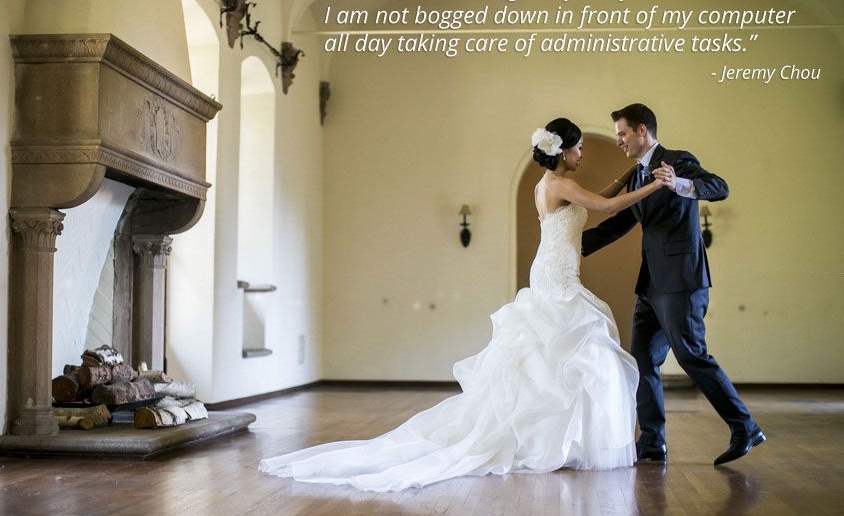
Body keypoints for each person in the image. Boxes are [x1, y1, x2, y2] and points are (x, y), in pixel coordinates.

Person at [259, 118, 664, 492]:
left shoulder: (548, 185)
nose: (581, 155)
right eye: (577, 149)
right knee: (580, 348)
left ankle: (558, 440)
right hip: (557, 277)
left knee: (563, 353)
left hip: (552, 271)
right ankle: (552, 442)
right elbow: (607, 208)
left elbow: (598, 198)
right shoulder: (558, 185)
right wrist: (656, 184)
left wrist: (630, 175)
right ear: (562, 151)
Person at [582, 103, 764, 466]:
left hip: (682, 279)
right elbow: (620, 223)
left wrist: (678, 183)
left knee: (691, 354)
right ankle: (652, 443)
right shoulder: (636, 177)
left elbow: (720, 187)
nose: (619, 140)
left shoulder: (677, 160)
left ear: (642, 131)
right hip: (650, 283)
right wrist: (574, 244)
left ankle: (745, 426)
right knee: (643, 359)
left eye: (622, 133)